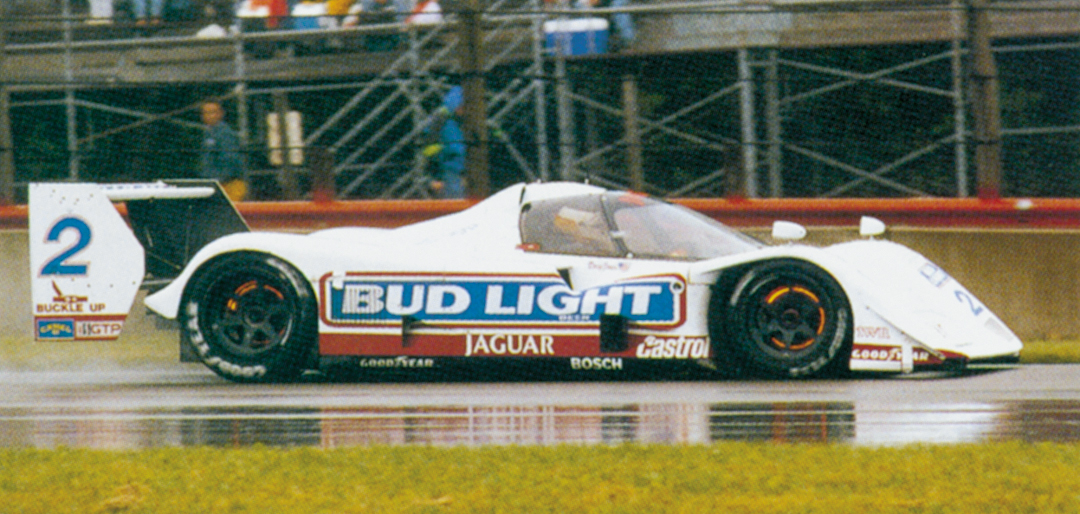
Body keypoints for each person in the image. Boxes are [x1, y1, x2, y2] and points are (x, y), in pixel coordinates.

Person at [421, 86, 466, 199]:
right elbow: (430, 150)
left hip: (462, 171)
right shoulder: (440, 120)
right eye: (462, 106)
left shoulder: (463, 122)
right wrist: (436, 176)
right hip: (447, 171)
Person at [199, 100, 247, 201]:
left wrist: (219, 181)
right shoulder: (208, 133)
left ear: (220, 113)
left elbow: (231, 159)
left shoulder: (225, 133)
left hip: (229, 185)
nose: (209, 116)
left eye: (212, 112)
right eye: (205, 113)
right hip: (217, 184)